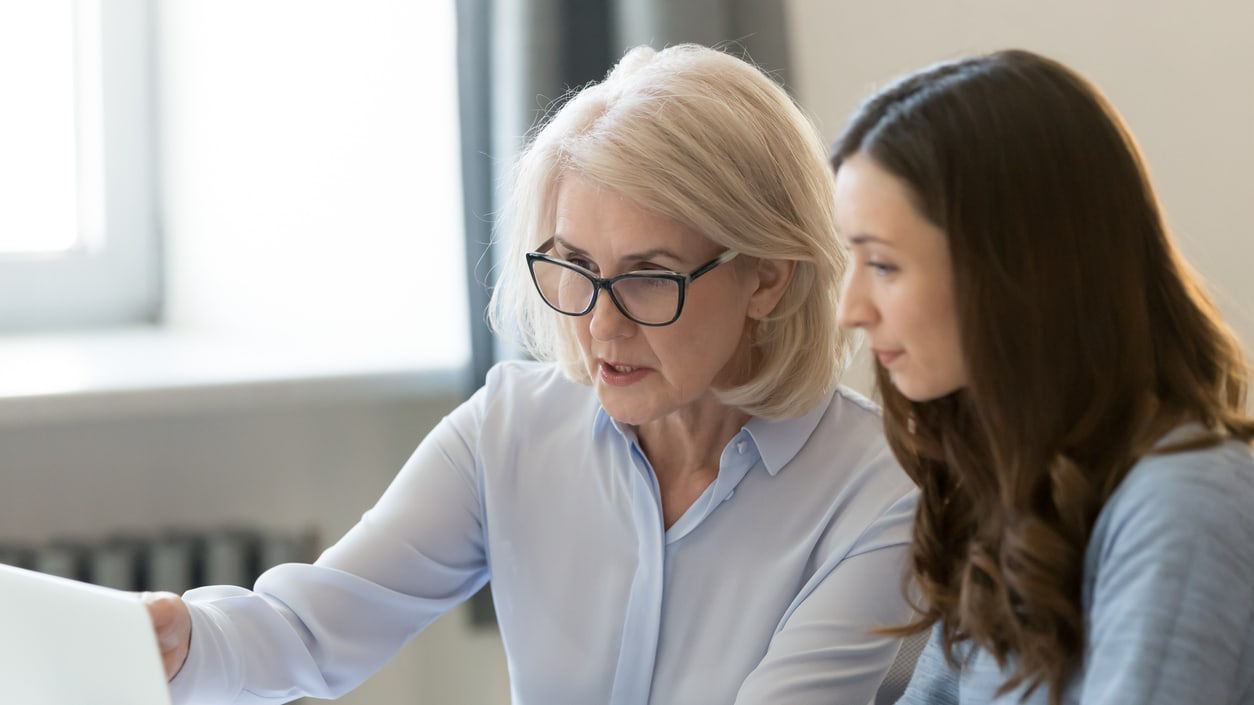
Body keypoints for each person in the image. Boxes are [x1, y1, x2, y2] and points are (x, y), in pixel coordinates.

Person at [143, 44, 918, 705]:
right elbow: (311, 626)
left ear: (768, 278)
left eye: (649, 275)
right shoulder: (510, 428)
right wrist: (186, 638)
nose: (599, 324)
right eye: (575, 266)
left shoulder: (878, 490)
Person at [831, 48, 1254, 705]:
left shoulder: (1186, 500)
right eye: (851, 262)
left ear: (1011, 273)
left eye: (882, 264)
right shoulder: (1022, 496)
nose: (850, 309)